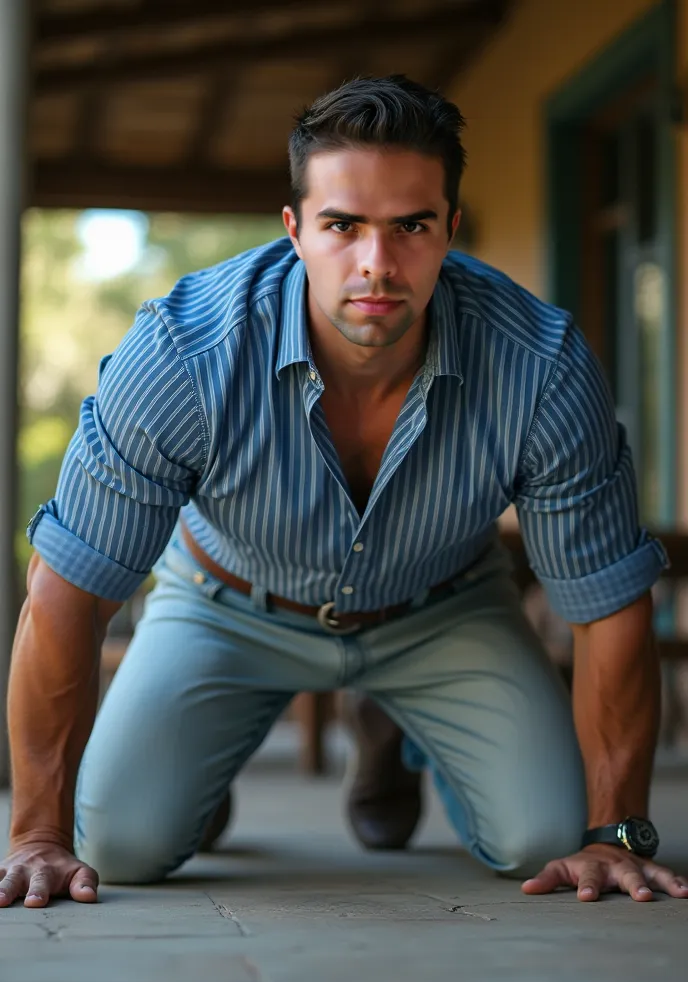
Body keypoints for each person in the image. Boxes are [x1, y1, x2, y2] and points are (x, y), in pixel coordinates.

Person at [2, 75, 686, 911]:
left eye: (410, 227)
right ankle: (200, 770)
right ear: (294, 228)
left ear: (450, 229)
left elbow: (608, 601)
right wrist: (35, 833)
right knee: (123, 845)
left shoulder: (540, 367)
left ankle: (395, 726)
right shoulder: (182, 355)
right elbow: (66, 591)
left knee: (552, 841)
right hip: (228, 598)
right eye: (342, 225)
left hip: (441, 603)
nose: (377, 263)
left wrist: (615, 834)